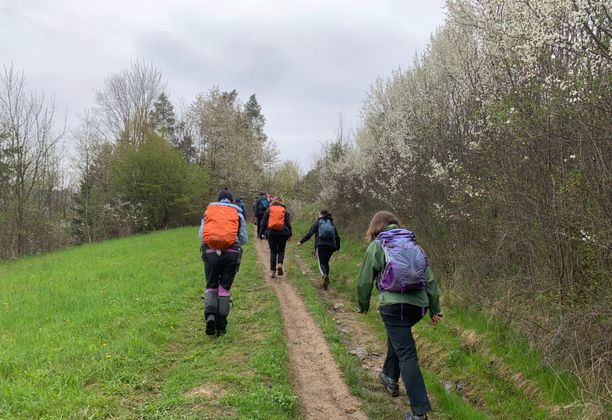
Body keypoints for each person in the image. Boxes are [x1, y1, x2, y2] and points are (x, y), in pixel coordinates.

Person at [356, 211, 442, 420]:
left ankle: (419, 413)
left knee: (407, 354)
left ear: (375, 226)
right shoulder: (413, 244)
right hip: (418, 307)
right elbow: (429, 280)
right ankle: (389, 377)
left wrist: (363, 304)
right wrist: (434, 309)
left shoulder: (378, 245)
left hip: (394, 307)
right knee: (399, 338)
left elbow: (364, 280)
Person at [199, 189, 248, 337]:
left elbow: (202, 236)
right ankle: (221, 328)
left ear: (218, 199)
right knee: (224, 289)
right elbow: (244, 239)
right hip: (231, 254)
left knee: (211, 286)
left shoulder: (209, 212)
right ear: (231, 200)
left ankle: (211, 317)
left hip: (211, 254)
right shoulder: (238, 214)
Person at [297, 209, 341, 290]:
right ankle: (326, 280)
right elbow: (337, 236)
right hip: (331, 247)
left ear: (321, 214)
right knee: (326, 262)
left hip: (321, 245)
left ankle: (324, 275)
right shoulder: (331, 223)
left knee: (321, 263)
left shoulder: (318, 222)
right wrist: (337, 247)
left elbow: (309, 234)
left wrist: (301, 242)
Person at [260, 197, 292, 278]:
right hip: (283, 233)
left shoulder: (269, 209)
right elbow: (288, 223)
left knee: (273, 252)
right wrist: (290, 234)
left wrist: (261, 233)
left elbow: (263, 222)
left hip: (271, 233)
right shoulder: (284, 210)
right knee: (281, 250)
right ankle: (280, 264)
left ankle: (272, 271)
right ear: (281, 202)